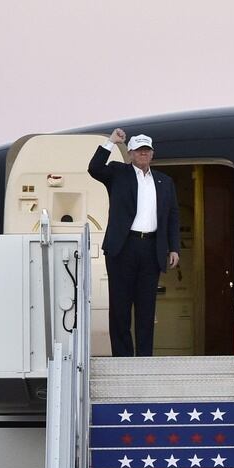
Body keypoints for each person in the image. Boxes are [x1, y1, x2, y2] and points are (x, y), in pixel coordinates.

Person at [88, 128, 181, 356]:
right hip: (124, 247)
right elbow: (94, 169)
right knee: (120, 306)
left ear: (152, 154)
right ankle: (122, 358)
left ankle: (144, 359)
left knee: (146, 307)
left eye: (146, 150)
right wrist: (111, 142)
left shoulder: (164, 181)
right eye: (138, 150)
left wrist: (174, 248)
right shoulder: (118, 173)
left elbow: (172, 216)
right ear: (129, 153)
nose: (143, 154)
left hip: (151, 248)